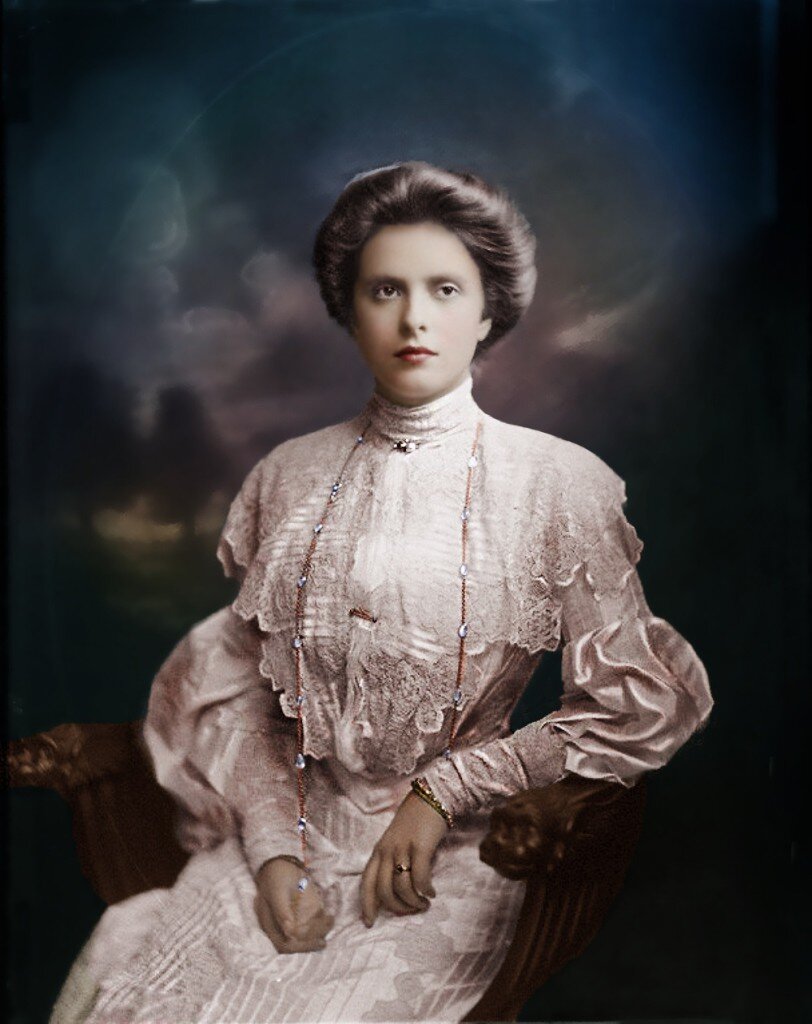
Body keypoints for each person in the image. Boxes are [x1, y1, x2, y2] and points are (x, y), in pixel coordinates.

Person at [50, 161, 713, 1024]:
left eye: (444, 289)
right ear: (349, 310)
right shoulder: (287, 477)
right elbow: (250, 700)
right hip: (281, 850)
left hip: (448, 864)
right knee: (140, 979)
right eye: (384, 290)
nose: (413, 319)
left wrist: (442, 793)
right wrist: (274, 854)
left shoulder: (558, 483)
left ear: (488, 311)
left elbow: (631, 699)